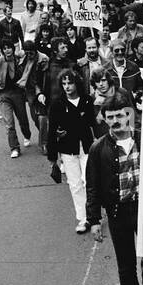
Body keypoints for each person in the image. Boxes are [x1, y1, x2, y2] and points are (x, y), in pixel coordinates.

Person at [87, 90, 143, 285]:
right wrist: (94, 219)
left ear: (128, 115)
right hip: (118, 212)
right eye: (110, 117)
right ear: (104, 118)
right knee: (126, 265)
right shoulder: (98, 148)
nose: (115, 121)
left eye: (120, 116)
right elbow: (92, 186)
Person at [46, 67, 97, 234]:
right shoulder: (57, 104)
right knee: (75, 184)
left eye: (70, 83)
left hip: (87, 147)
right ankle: (83, 218)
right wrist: (53, 158)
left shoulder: (87, 100)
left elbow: (93, 124)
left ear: (77, 84)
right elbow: (52, 130)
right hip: (68, 150)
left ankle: (93, 215)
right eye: (64, 84)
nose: (67, 87)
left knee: (88, 181)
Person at [0, 45, 33, 158]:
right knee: (9, 123)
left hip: (17, 92)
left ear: (13, 48)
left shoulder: (18, 59)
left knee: (22, 118)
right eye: (4, 48)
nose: (7, 50)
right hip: (4, 94)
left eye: (8, 47)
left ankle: (27, 135)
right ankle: (14, 147)